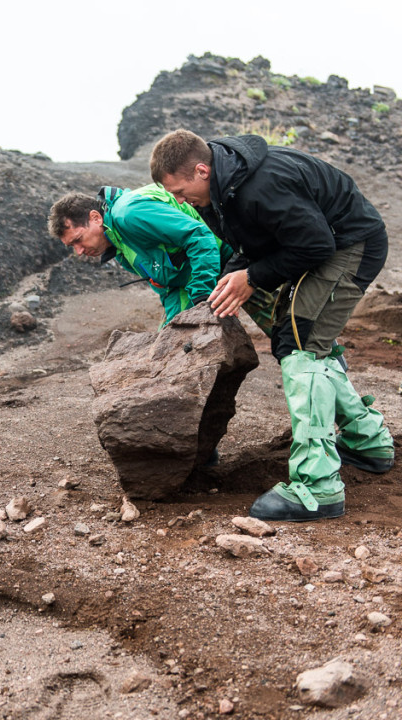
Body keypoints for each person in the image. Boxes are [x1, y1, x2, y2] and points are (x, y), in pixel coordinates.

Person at [150, 129, 394, 521]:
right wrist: (231, 278)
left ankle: (318, 488)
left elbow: (316, 245)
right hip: (319, 242)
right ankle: (369, 443)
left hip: (350, 244)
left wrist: (253, 277)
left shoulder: (260, 184)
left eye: (180, 191)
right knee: (298, 335)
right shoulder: (219, 191)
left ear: (200, 169)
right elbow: (251, 244)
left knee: (300, 344)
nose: (179, 201)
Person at [48, 184, 274, 332]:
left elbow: (200, 237)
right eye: (71, 246)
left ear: (95, 218)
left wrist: (202, 298)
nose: (78, 251)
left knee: (290, 334)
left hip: (240, 260)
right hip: (215, 272)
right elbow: (170, 287)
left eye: (78, 239)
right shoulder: (118, 246)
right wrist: (170, 330)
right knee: (174, 340)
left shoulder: (129, 214)